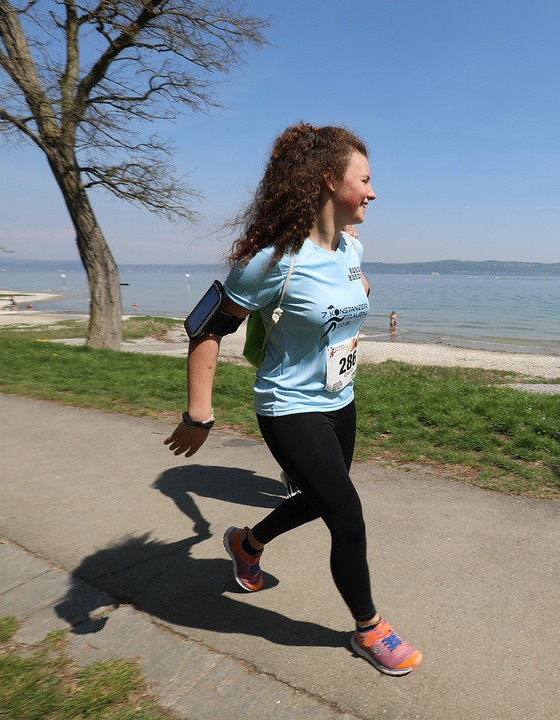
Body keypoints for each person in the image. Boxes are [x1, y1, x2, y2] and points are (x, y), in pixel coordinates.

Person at [163, 122, 422, 676]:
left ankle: (247, 542)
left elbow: (355, 286)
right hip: (288, 406)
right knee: (346, 514)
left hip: (339, 399)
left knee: (321, 498)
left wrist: (355, 298)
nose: (374, 193)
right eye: (366, 180)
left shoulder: (351, 246)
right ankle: (369, 628)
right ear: (330, 180)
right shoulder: (270, 261)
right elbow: (206, 329)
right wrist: (198, 415)